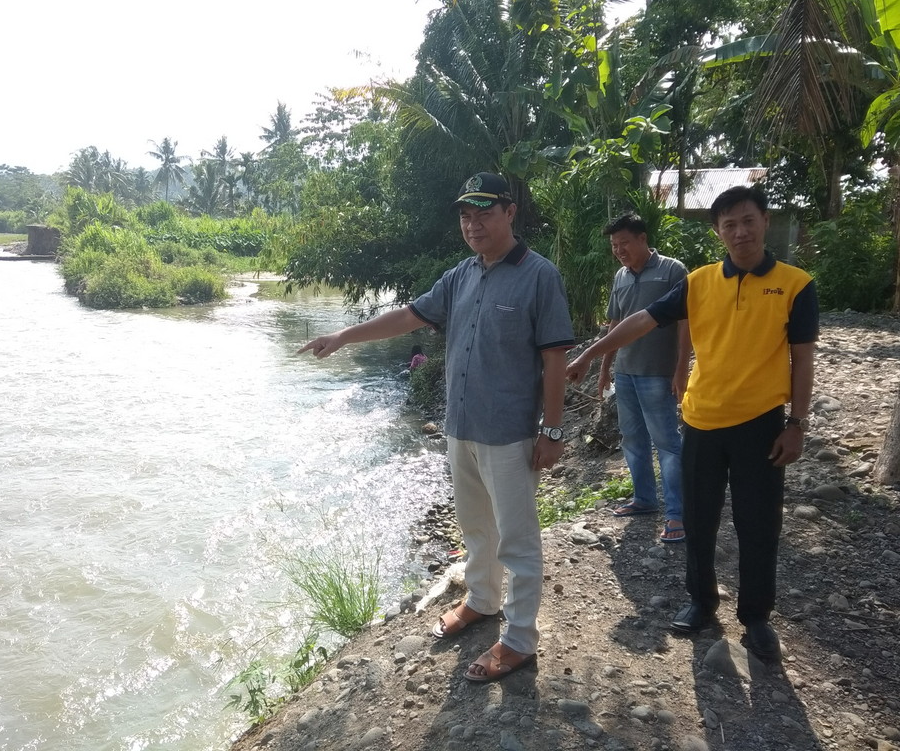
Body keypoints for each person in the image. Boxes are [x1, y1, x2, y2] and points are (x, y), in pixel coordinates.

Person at [299, 172, 574, 682]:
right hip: (461, 428)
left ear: (510, 212)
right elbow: (409, 317)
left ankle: (518, 640)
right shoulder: (460, 276)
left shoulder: (539, 276)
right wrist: (343, 336)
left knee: (517, 540)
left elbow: (555, 357)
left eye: (484, 212)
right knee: (475, 527)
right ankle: (484, 600)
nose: (473, 224)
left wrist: (552, 431)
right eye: (466, 215)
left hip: (510, 434)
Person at [566, 186, 817, 660]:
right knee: (698, 520)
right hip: (701, 421)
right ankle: (701, 601)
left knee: (758, 524)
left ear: (764, 221)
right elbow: (641, 321)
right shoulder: (699, 282)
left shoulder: (795, 284)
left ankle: (757, 617)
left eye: (747, 221)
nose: (739, 232)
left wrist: (797, 423)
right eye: (729, 225)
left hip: (761, 425)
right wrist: (590, 355)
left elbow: (802, 360)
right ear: (718, 231)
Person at [598, 214, 689, 543]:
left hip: (658, 373)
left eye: (624, 243)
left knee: (667, 443)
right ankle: (644, 499)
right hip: (625, 373)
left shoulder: (672, 271)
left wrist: (681, 369)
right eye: (614, 245)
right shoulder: (620, 277)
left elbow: (685, 322)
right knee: (632, 440)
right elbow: (615, 326)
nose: (619, 250)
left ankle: (678, 513)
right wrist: (605, 367)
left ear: (642, 238)